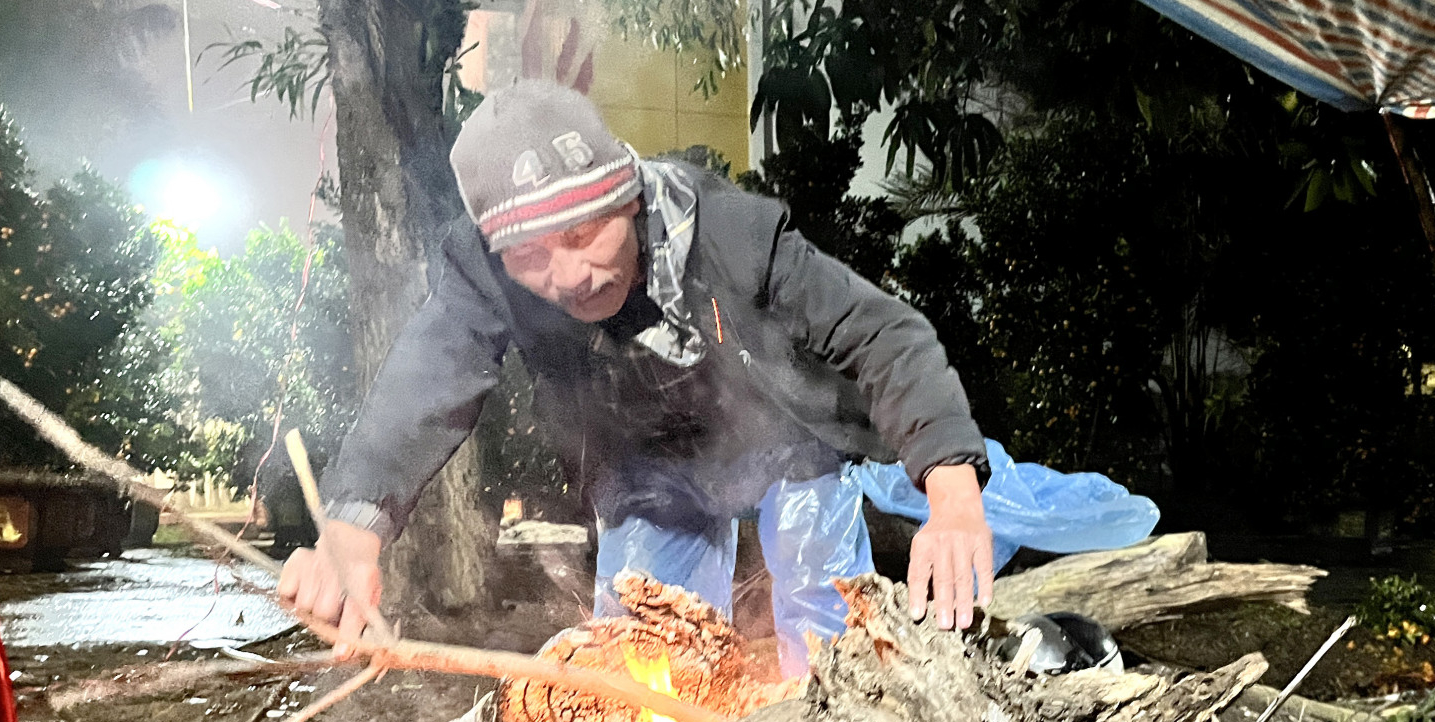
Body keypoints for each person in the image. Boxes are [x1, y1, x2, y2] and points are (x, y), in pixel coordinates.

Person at [278, 80, 995, 670]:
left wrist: (954, 491)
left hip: (786, 443)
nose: (566, 276)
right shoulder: (489, 270)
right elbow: (424, 380)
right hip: (646, 464)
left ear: (625, 196)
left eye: (582, 233)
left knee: (826, 631)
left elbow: (885, 336)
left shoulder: (729, 232)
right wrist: (352, 530)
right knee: (641, 657)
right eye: (529, 255)